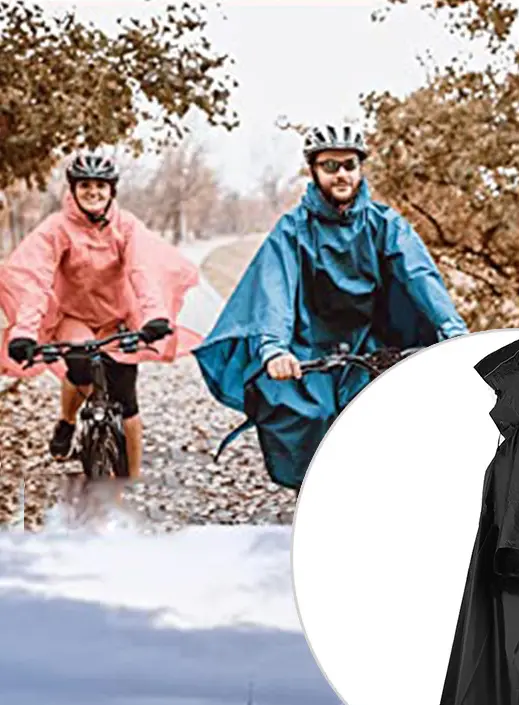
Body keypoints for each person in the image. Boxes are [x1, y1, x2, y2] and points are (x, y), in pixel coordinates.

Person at [196, 118, 469, 490]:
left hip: (371, 344)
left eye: (349, 165)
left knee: (390, 420)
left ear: (359, 169)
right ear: (313, 171)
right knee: (312, 422)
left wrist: (453, 330)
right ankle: (314, 504)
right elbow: (275, 289)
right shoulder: (293, 229)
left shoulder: (384, 224)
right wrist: (274, 348)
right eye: (330, 166)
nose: (341, 174)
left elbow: (420, 277)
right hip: (309, 348)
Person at [0, 151, 202, 478]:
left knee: (127, 401)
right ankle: (67, 423)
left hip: (117, 317)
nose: (93, 192)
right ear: (73, 190)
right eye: (85, 186)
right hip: (75, 316)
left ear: (112, 191)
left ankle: (129, 484)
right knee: (79, 368)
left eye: (100, 186)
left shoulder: (127, 226)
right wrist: (24, 331)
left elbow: (142, 269)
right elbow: (34, 276)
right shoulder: (57, 227)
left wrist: (154, 315)